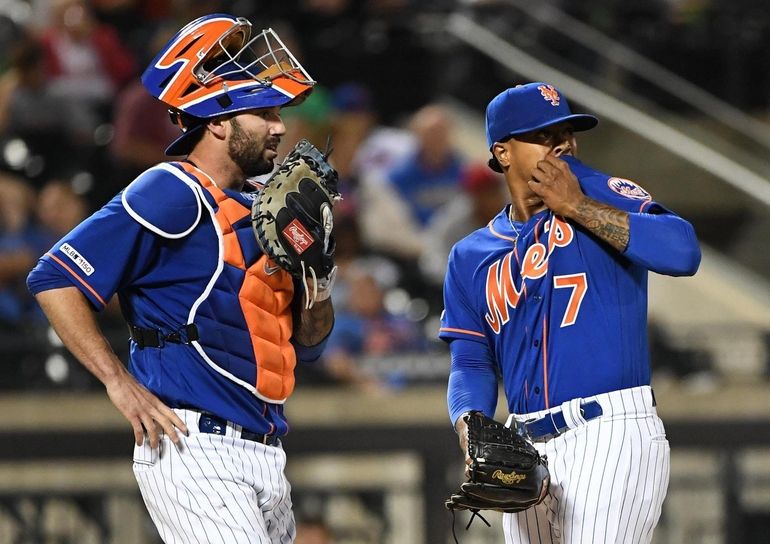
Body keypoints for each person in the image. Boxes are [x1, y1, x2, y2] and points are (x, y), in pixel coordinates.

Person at [27, 14, 334, 543]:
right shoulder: (171, 189)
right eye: (262, 113)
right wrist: (117, 383)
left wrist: (319, 272)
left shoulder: (267, 208)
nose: (280, 127)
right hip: (193, 444)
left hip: (265, 448)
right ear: (217, 121)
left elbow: (307, 345)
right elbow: (54, 275)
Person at [440, 82, 701, 543]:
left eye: (566, 131)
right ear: (502, 152)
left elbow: (683, 252)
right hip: (523, 448)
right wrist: (470, 425)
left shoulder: (602, 192)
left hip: (609, 432)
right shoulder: (470, 255)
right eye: (541, 135)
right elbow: (471, 360)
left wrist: (577, 207)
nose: (561, 142)